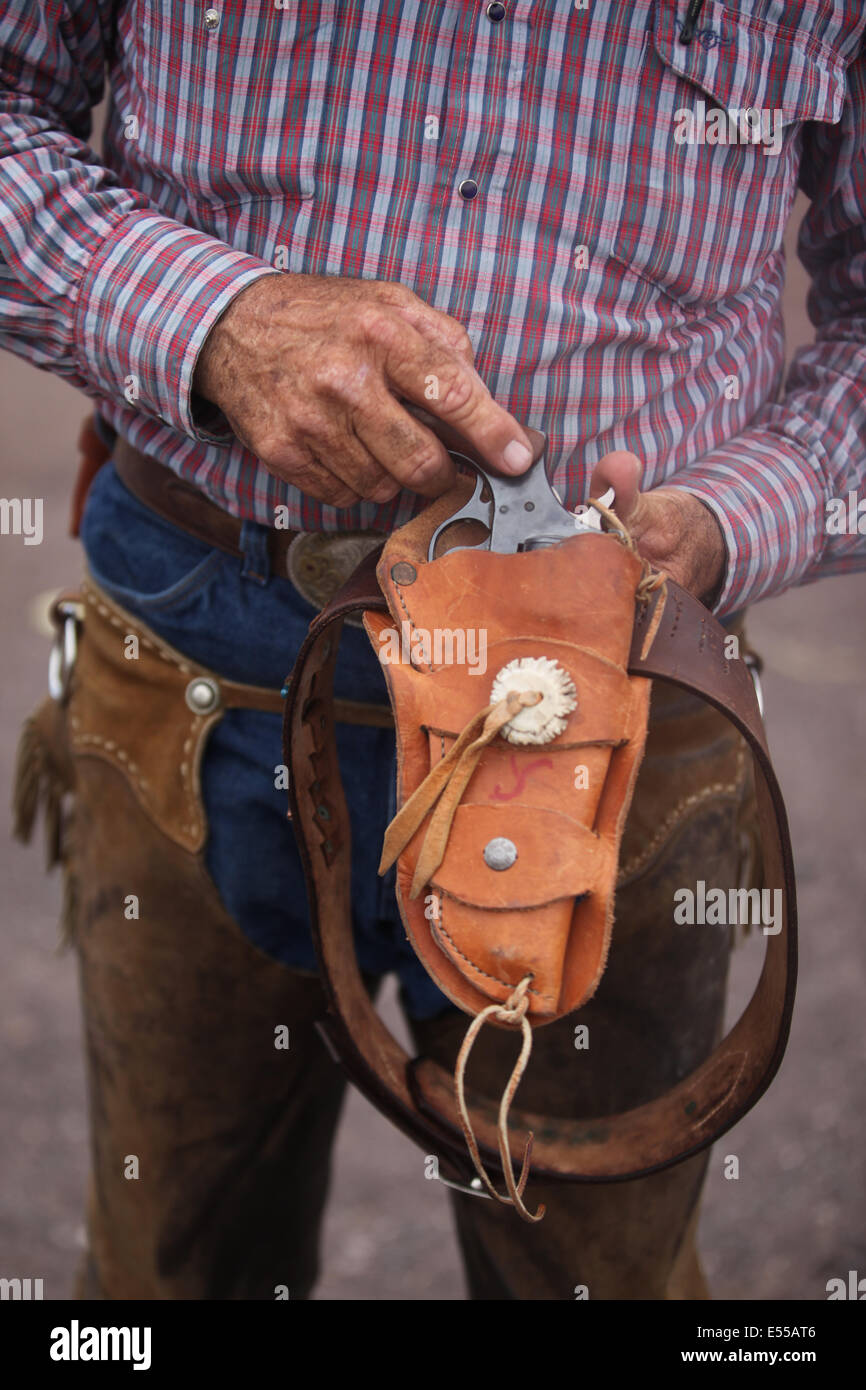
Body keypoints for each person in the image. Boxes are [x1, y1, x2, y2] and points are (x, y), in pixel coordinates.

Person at [2, 1, 865, 1301]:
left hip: (615, 684)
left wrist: (727, 522)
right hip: (200, 649)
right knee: (169, 1271)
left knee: (596, 1274)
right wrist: (214, 319)